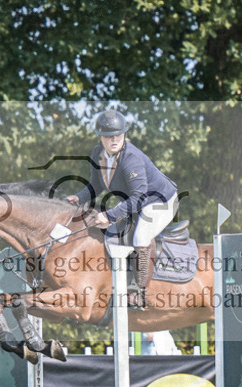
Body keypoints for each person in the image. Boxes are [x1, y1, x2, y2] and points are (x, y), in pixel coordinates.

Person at [66, 109, 179, 309]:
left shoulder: (131, 158)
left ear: (124, 134)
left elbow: (139, 197)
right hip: (137, 201)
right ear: (100, 137)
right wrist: (80, 197)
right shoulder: (98, 154)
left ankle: (140, 293)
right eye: (109, 136)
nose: (115, 139)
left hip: (160, 201)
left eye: (119, 134)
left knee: (141, 237)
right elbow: (96, 185)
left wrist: (110, 215)